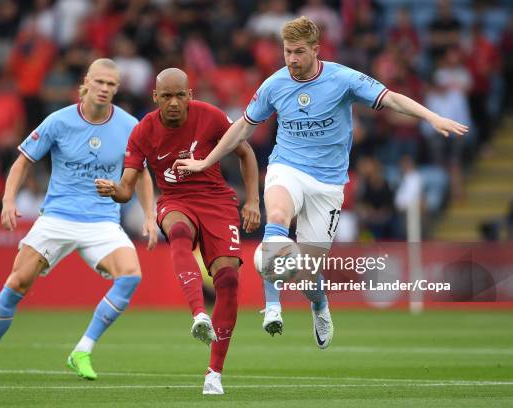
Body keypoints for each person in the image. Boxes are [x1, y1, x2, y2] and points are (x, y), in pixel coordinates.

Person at [174, 17, 468, 348]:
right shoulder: (274, 85)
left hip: (327, 185)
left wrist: (432, 116)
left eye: (299, 52)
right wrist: (206, 161)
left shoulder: (343, 78)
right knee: (278, 219)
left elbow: (391, 99)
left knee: (306, 276)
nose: (292, 60)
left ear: (316, 49)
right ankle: (272, 306)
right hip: (287, 168)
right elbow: (243, 127)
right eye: (287, 52)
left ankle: (319, 303)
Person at [0, 58, 158, 381]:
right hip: (57, 217)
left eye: (111, 85)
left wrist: (149, 215)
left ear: (117, 89)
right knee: (16, 283)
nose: (105, 89)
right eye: (100, 82)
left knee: (131, 275)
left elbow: (142, 173)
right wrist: (9, 199)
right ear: (87, 82)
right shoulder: (59, 121)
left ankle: (82, 350)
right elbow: (22, 161)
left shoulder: (129, 126)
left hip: (102, 222)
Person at [95, 68, 260, 395]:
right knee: (179, 231)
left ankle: (214, 373)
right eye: (166, 96)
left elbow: (245, 153)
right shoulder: (143, 131)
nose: (173, 102)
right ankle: (199, 314)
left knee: (228, 281)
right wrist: (114, 190)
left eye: (179, 95)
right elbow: (128, 188)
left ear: (190, 96)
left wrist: (253, 199)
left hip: (216, 200)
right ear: (155, 97)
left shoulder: (210, 117)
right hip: (175, 199)